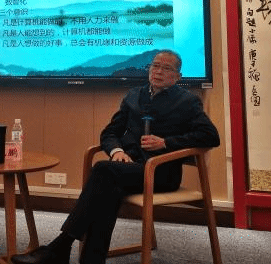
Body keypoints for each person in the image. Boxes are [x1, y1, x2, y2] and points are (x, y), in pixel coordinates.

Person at [12, 50, 220, 264]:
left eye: (166, 68)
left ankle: (60, 246)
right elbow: (110, 133)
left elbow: (210, 136)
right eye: (155, 66)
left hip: (160, 172)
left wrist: (166, 142)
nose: (158, 71)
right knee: (109, 189)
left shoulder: (187, 101)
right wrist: (117, 151)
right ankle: (91, 260)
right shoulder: (134, 96)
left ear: (177, 76)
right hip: (129, 169)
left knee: (103, 170)